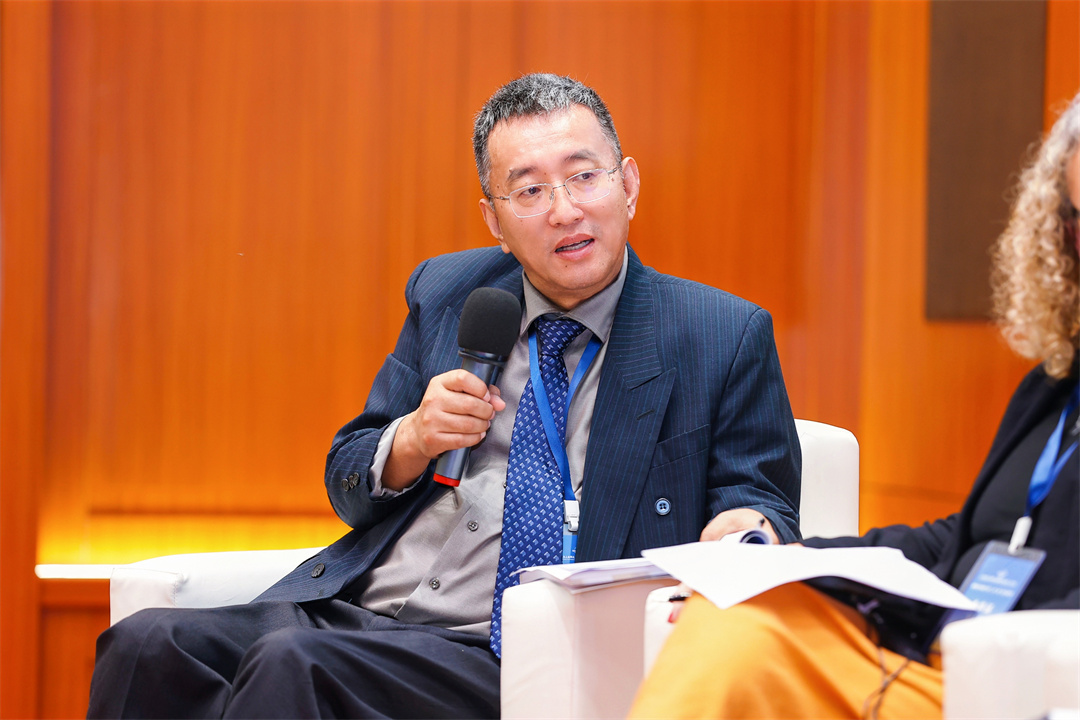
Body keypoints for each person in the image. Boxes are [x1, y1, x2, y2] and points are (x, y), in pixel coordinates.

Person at [87, 73, 801, 719]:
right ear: (494, 220)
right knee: (146, 644)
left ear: (629, 184)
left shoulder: (718, 333)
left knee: (292, 664)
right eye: (529, 191)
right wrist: (412, 440)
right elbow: (347, 476)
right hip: (360, 610)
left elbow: (763, 505)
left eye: (584, 177)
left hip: (509, 648)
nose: (564, 210)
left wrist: (743, 533)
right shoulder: (451, 293)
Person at [629, 92, 1080, 720]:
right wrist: (795, 560)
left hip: (1021, 683)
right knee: (734, 613)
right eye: (1074, 217)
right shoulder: (1053, 387)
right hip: (943, 660)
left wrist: (988, 640)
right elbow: (961, 541)